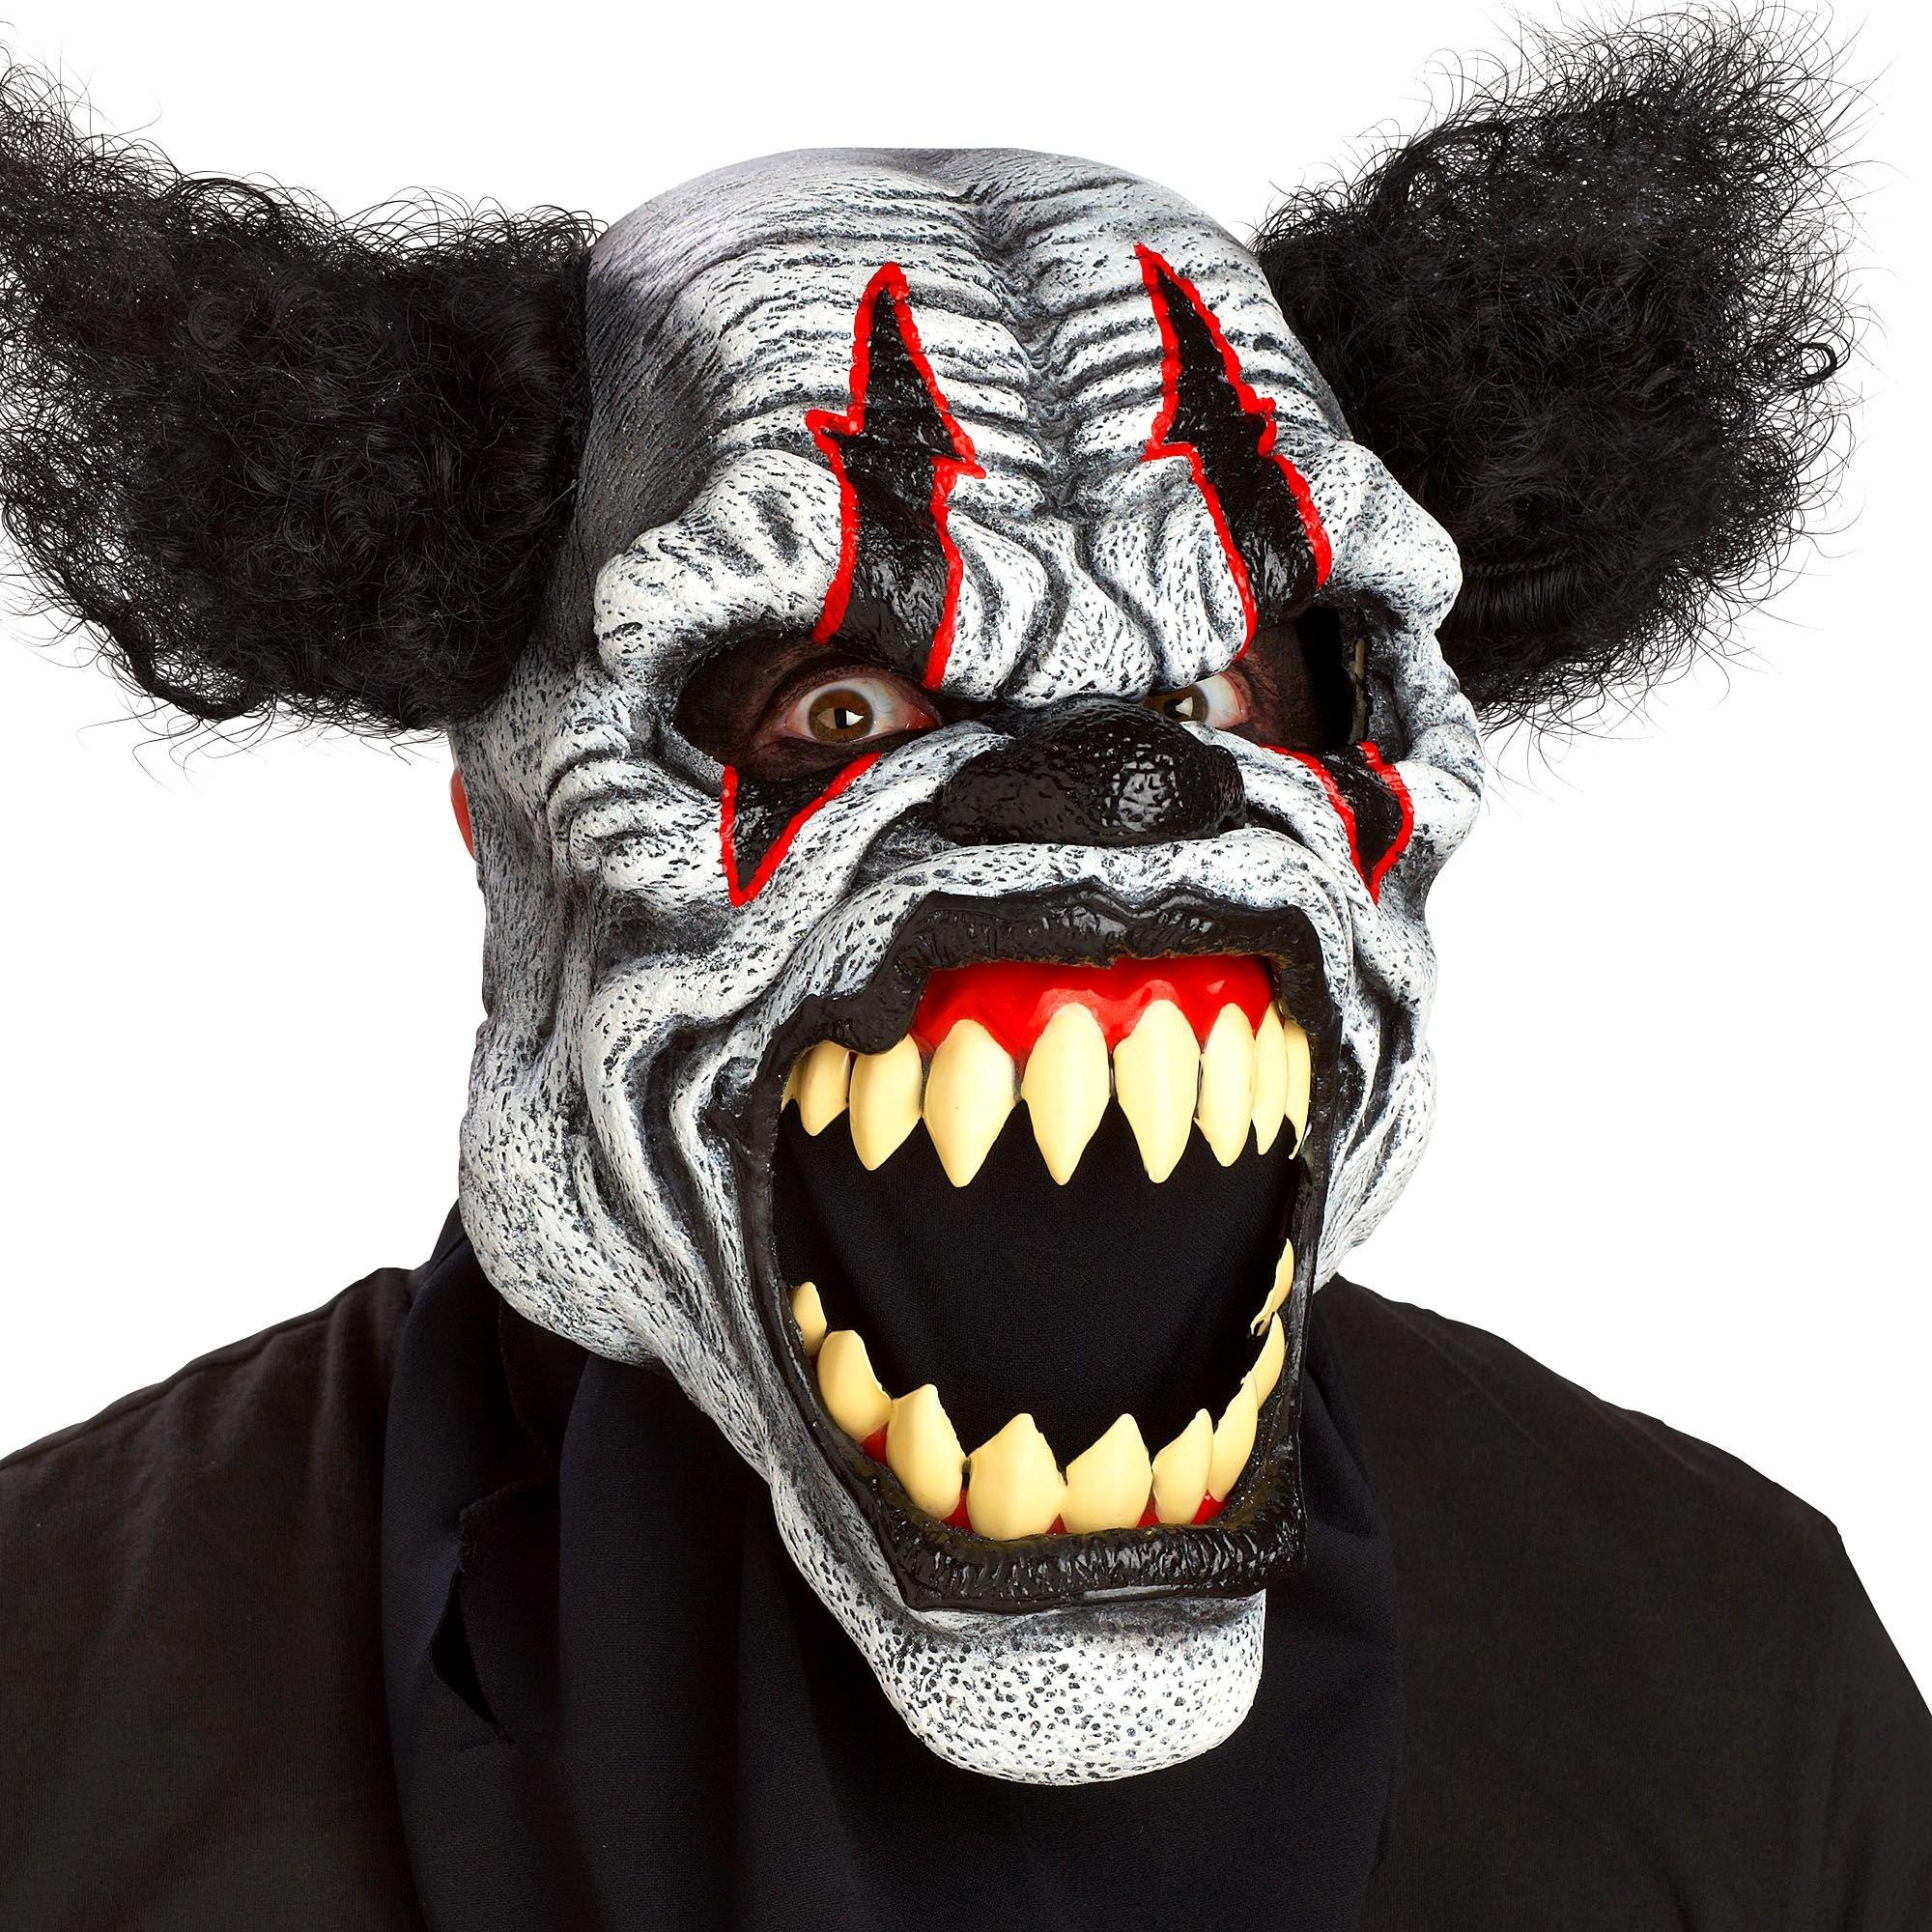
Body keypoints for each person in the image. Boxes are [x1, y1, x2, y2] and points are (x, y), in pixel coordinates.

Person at [3, 18, 1926, 1929]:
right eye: (835, 705)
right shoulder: (53, 1698)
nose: (1121, 801)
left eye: (1220, 690)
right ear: (505, 832)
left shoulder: (1733, 1681)